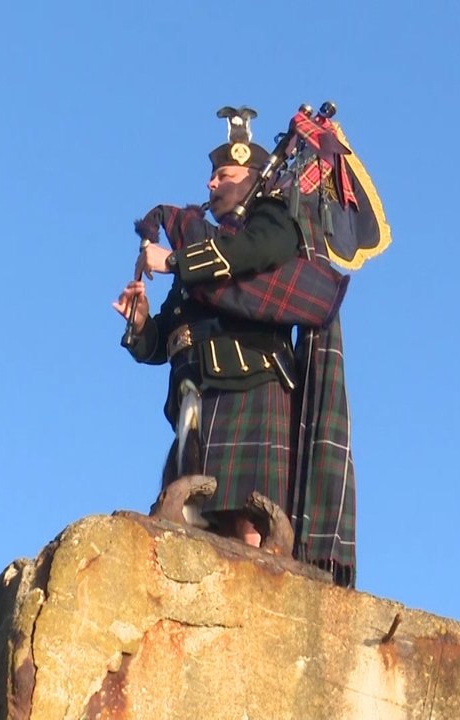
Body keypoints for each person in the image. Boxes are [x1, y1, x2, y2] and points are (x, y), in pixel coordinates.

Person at [113, 108, 302, 553]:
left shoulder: (274, 219)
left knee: (249, 520)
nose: (211, 185)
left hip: (251, 382)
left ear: (254, 179)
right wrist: (141, 325)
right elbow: (174, 333)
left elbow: (253, 251)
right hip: (196, 397)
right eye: (211, 176)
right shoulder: (207, 251)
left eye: (223, 175)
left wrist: (176, 260)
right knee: (191, 522)